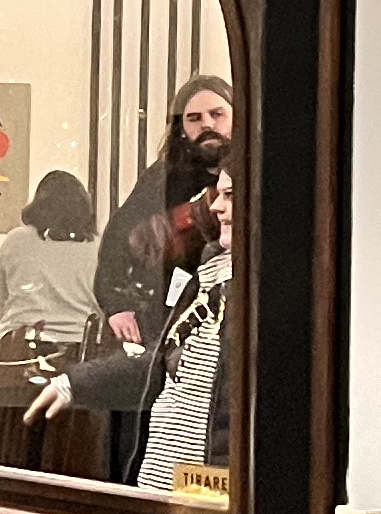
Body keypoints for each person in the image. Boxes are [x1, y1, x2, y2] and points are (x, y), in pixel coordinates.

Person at [37, 162, 237, 492]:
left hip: (207, 494)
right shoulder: (210, 272)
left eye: (229, 195)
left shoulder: (257, 290)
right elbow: (165, 365)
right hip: (170, 487)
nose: (215, 206)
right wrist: (76, 382)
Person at [97, 77, 236, 354]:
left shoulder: (258, 168)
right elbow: (117, 242)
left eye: (217, 114)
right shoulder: (163, 179)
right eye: (194, 118)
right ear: (182, 129)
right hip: (170, 315)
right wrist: (117, 306)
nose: (207, 125)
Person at [0, 171, 101, 343]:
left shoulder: (16, 240)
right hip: (79, 345)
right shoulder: (97, 247)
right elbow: (103, 305)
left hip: (19, 343)